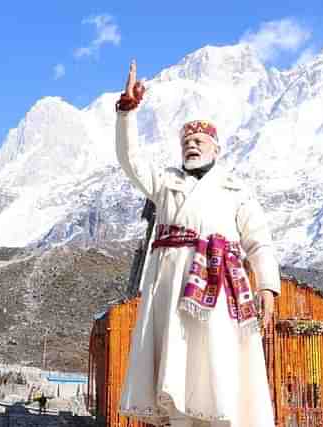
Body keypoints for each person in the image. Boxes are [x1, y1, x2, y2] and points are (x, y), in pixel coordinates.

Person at [115, 60, 280, 427]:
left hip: (219, 290)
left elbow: (260, 242)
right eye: (187, 141)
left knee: (216, 364)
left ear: (216, 148)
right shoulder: (165, 182)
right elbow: (130, 160)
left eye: (199, 141)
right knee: (175, 364)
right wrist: (127, 113)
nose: (192, 145)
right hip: (171, 288)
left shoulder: (236, 190)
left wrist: (267, 286)